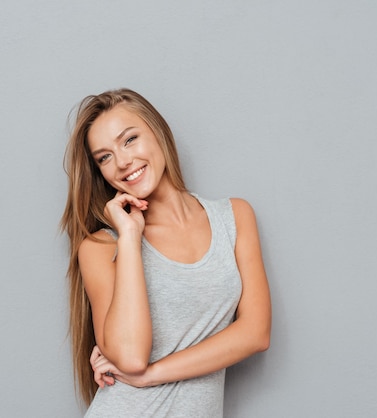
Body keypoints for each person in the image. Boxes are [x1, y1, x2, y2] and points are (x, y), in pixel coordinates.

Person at [61, 88, 271, 417]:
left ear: (158, 131)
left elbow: (256, 333)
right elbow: (130, 358)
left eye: (129, 139)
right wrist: (130, 237)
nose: (122, 162)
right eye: (104, 157)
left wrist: (151, 376)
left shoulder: (235, 217)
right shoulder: (102, 246)